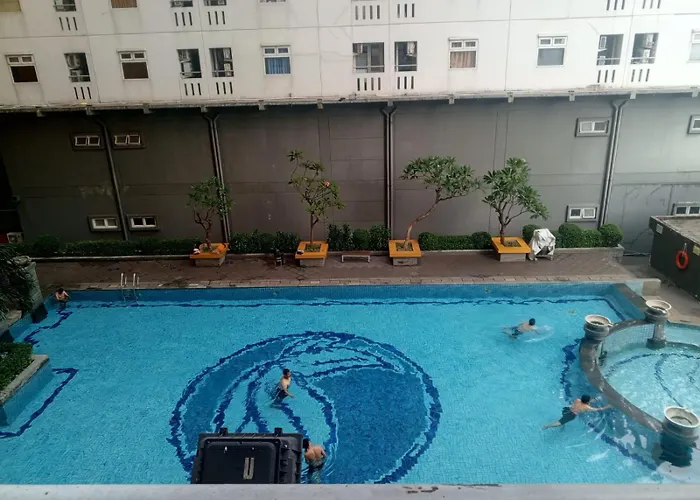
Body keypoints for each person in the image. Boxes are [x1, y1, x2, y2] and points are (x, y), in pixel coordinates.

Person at [543, 395, 612, 429]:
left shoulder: (577, 400)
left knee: (563, 419)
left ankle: (563, 423)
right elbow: (598, 409)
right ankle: (547, 425)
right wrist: (607, 406)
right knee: (560, 423)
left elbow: (581, 403)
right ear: (587, 401)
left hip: (566, 409)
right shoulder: (587, 407)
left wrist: (591, 401)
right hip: (571, 415)